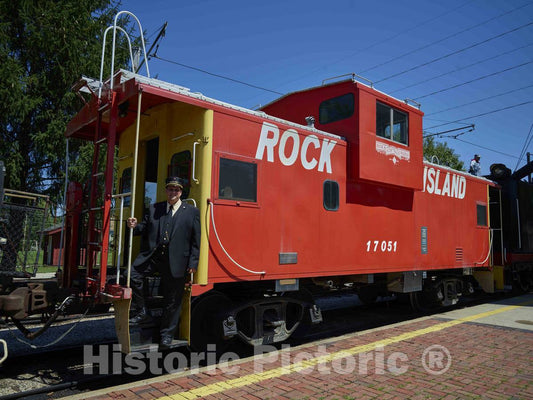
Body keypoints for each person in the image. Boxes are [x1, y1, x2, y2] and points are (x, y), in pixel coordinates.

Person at [127, 176, 201, 350]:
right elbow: (143, 228)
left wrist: (193, 262)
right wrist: (133, 226)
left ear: (181, 192)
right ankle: (142, 311)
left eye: (176, 189)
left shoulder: (191, 212)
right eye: (170, 189)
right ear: (166, 190)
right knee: (132, 275)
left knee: (172, 300)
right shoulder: (155, 208)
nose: (173, 192)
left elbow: (196, 241)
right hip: (154, 257)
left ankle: (166, 335)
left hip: (177, 260)